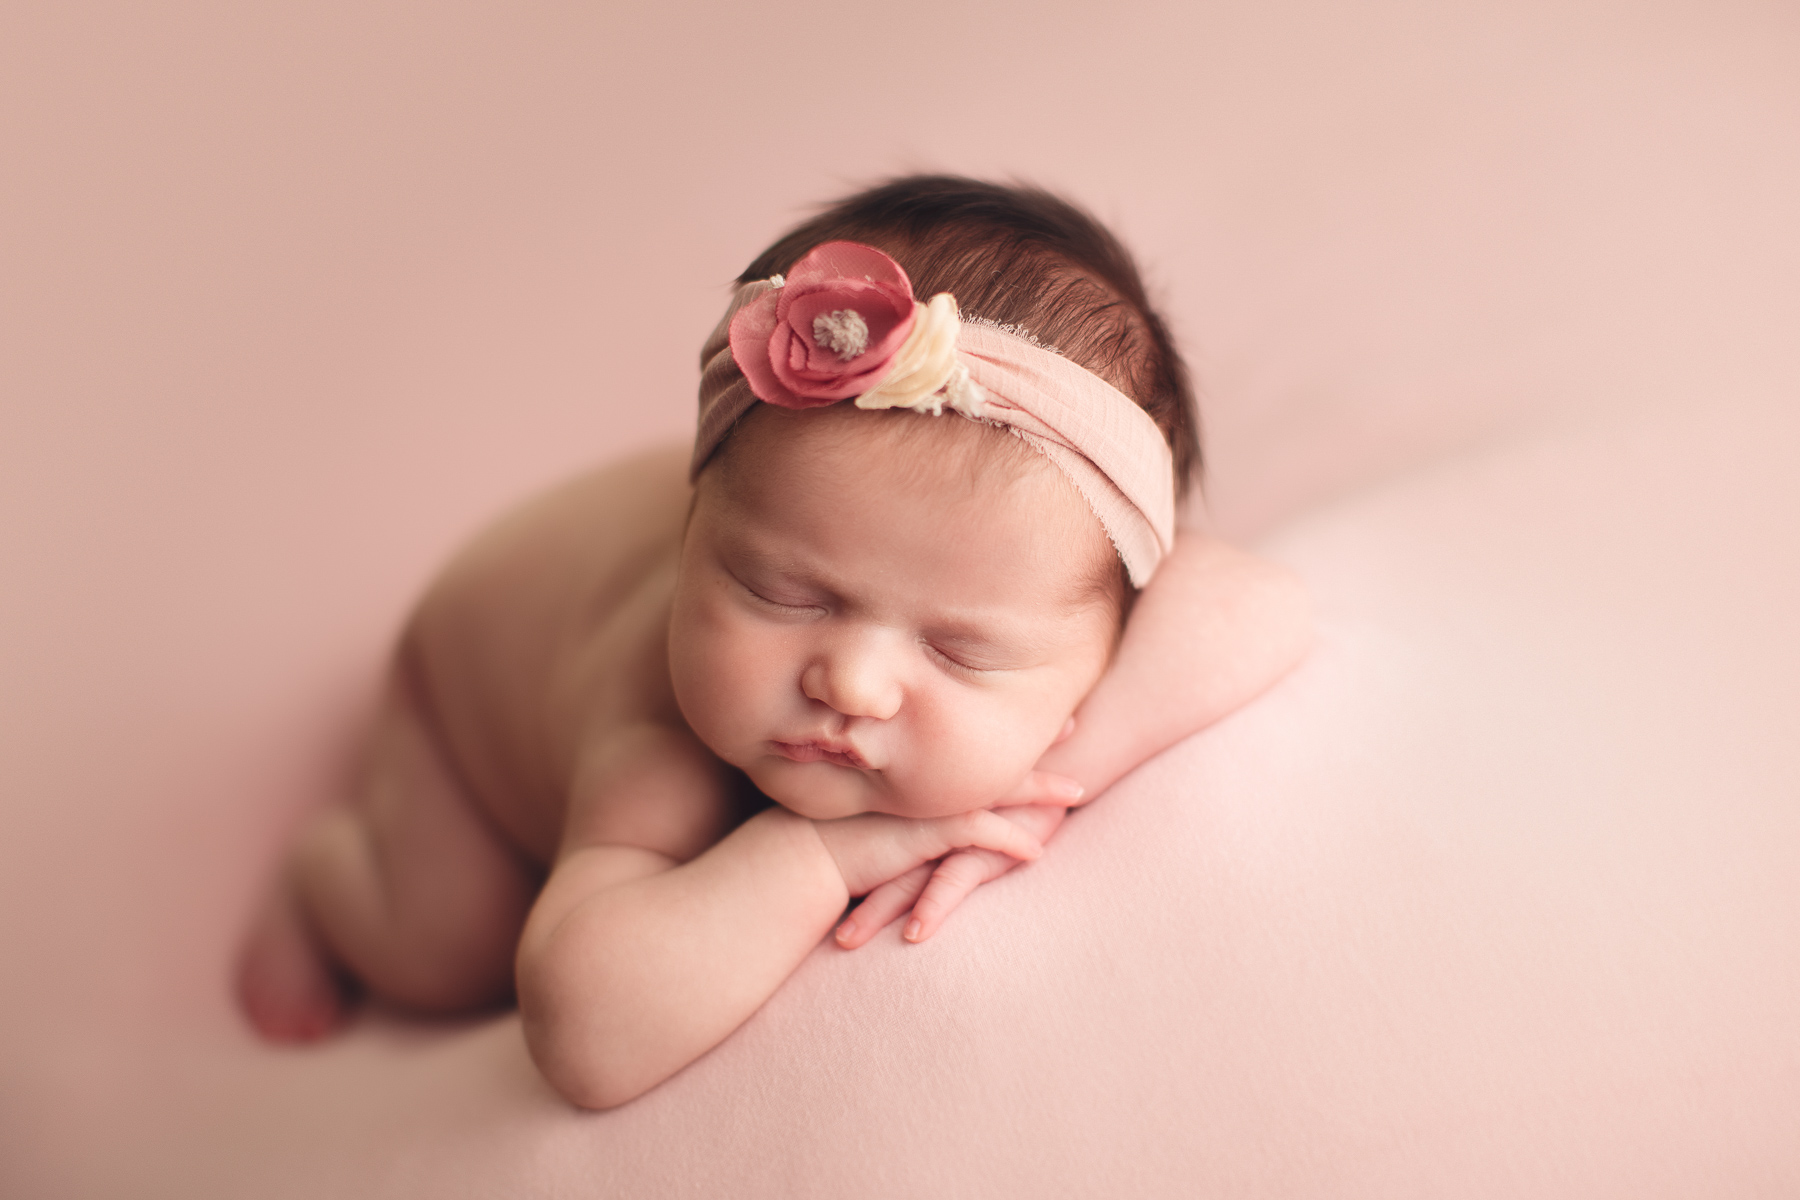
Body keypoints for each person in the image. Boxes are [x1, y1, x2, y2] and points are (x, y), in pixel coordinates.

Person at [236, 176, 1313, 1109]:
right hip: (467, 694)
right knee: (447, 945)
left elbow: (1262, 604)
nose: (850, 678)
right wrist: (813, 854)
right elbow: (583, 1029)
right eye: (782, 593)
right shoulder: (662, 728)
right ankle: (325, 883)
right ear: (696, 531)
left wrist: (1040, 774)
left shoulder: (1035, 579)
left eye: (960, 655)